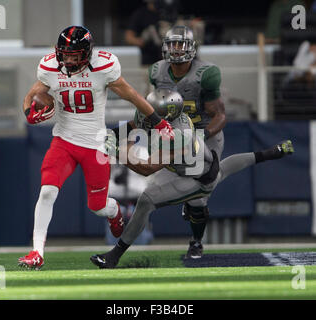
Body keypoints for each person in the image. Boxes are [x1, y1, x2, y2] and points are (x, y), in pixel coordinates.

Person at [18, 26, 175, 270]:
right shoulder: (50, 67)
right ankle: (37, 252)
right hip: (63, 141)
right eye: (65, 54)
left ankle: (114, 213)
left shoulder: (103, 67)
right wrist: (29, 113)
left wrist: (159, 121)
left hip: (95, 143)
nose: (69, 59)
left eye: (74, 55)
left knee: (98, 206)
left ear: (88, 53)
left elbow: (132, 95)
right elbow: (32, 95)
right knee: (47, 191)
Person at [89, 88, 294, 269]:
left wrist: (119, 151)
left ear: (167, 117)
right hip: (184, 167)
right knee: (224, 169)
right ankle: (271, 153)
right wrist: (112, 134)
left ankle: (113, 257)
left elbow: (147, 169)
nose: (146, 115)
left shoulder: (178, 136)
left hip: (198, 179)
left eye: (151, 113)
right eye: (146, 109)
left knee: (147, 201)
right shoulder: (159, 118)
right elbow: (134, 125)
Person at [147, 25, 226, 258]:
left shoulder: (207, 74)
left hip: (204, 133)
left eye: (181, 44)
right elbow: (154, 104)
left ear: (192, 47)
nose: (177, 49)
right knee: (154, 187)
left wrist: (201, 137)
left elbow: (220, 116)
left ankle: (196, 241)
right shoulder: (156, 71)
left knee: (199, 199)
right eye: (172, 44)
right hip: (175, 135)